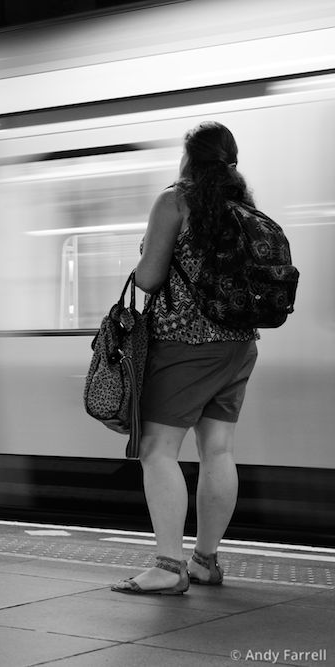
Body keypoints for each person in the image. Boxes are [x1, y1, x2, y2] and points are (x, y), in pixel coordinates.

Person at [111, 121, 259, 595]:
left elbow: (150, 278)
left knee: (157, 450)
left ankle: (168, 567)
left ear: (188, 158)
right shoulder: (243, 208)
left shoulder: (176, 200)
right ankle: (205, 562)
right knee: (218, 450)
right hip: (239, 345)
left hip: (187, 344)